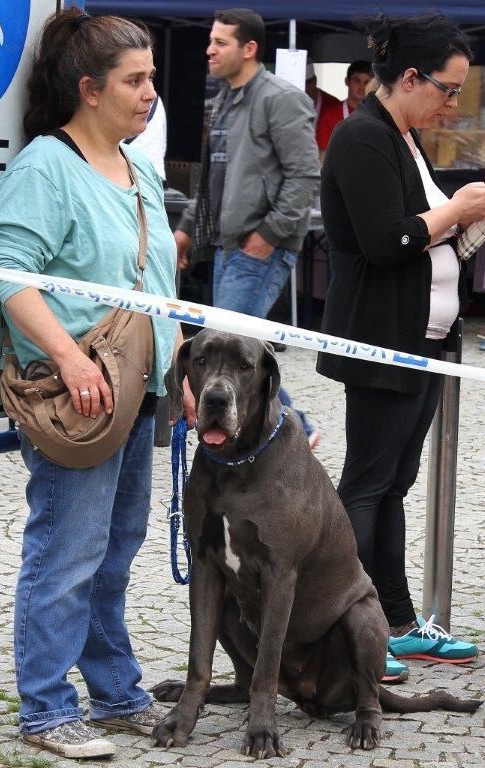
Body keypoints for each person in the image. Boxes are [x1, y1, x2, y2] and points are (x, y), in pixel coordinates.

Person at [0, 9, 194, 760]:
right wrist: (70, 361)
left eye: (150, 78)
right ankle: (45, 710)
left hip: (135, 391)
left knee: (114, 549)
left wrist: (177, 374)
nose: (149, 93)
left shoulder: (139, 165)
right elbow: (14, 282)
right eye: (134, 80)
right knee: (65, 553)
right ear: (88, 89)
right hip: (77, 397)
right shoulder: (45, 167)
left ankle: (114, 692)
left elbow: (155, 286)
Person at [317, 11, 485, 684]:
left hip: (424, 341)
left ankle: (397, 624)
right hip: (384, 338)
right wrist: (456, 210)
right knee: (365, 486)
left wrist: (459, 223)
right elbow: (389, 239)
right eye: (446, 89)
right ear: (410, 77)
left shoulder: (399, 136)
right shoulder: (362, 136)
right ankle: (347, 628)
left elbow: (422, 236)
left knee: (391, 486)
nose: (450, 104)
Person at [174, 8, 322, 448]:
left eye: (220, 42)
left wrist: (270, 234)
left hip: (258, 246)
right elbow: (212, 178)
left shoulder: (280, 97)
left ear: (249, 48)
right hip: (225, 246)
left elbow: (305, 175)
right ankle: (295, 426)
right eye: (210, 40)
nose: (209, 49)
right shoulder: (224, 98)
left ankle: (296, 428)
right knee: (235, 347)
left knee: (232, 347)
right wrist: (185, 229)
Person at [316, 59, 373, 159]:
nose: (361, 87)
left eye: (366, 82)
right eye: (357, 81)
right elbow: (323, 158)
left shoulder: (378, 116)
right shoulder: (329, 116)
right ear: (347, 81)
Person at [124, 93, 168, 180]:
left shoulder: (124, 102)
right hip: (156, 176)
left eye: (151, 79)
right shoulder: (158, 102)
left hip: (131, 178)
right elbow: (163, 144)